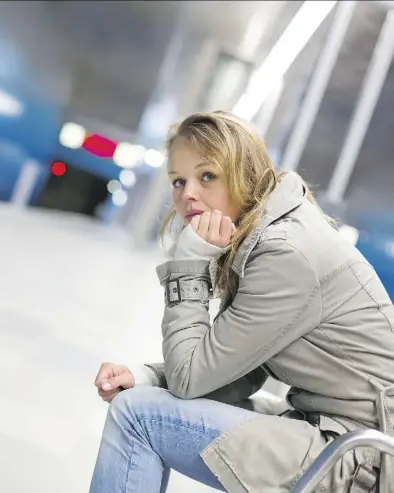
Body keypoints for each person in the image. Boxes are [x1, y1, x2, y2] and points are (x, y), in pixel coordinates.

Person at [89, 111, 394, 493]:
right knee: (142, 400)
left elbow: (189, 381)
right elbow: (238, 373)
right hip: (341, 434)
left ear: (244, 174)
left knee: (137, 416)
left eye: (207, 176)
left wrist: (188, 267)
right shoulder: (270, 235)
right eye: (178, 181)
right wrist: (149, 376)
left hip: (366, 459)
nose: (187, 194)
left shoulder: (285, 253)